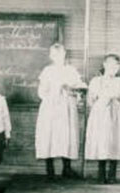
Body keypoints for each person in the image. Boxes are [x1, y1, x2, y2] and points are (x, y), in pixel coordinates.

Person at [35, 43, 86, 180]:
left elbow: (79, 87)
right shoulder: (47, 71)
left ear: (64, 54)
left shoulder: (71, 70)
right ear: (51, 56)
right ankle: (49, 169)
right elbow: (41, 92)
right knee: (49, 135)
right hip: (51, 107)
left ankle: (67, 168)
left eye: (61, 53)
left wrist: (71, 89)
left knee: (67, 135)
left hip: (67, 107)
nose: (58, 56)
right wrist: (52, 96)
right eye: (55, 54)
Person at [85, 54, 120, 184]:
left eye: (116, 65)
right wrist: (100, 106)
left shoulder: (119, 82)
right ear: (104, 65)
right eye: (110, 65)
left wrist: (118, 101)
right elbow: (90, 100)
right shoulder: (96, 81)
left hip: (116, 114)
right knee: (102, 140)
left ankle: (112, 174)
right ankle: (101, 173)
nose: (113, 68)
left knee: (115, 139)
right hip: (101, 114)